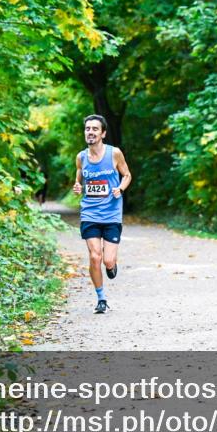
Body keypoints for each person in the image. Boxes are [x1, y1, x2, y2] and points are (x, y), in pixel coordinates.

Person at [73, 114, 132, 314]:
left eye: (95, 129)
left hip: (111, 214)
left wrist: (120, 189)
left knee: (107, 260)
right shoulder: (81, 157)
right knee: (94, 257)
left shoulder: (114, 154)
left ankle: (111, 265)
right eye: (87, 129)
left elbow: (127, 175)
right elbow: (79, 176)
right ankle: (101, 298)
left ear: (103, 133)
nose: (90, 132)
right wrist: (77, 185)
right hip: (89, 213)